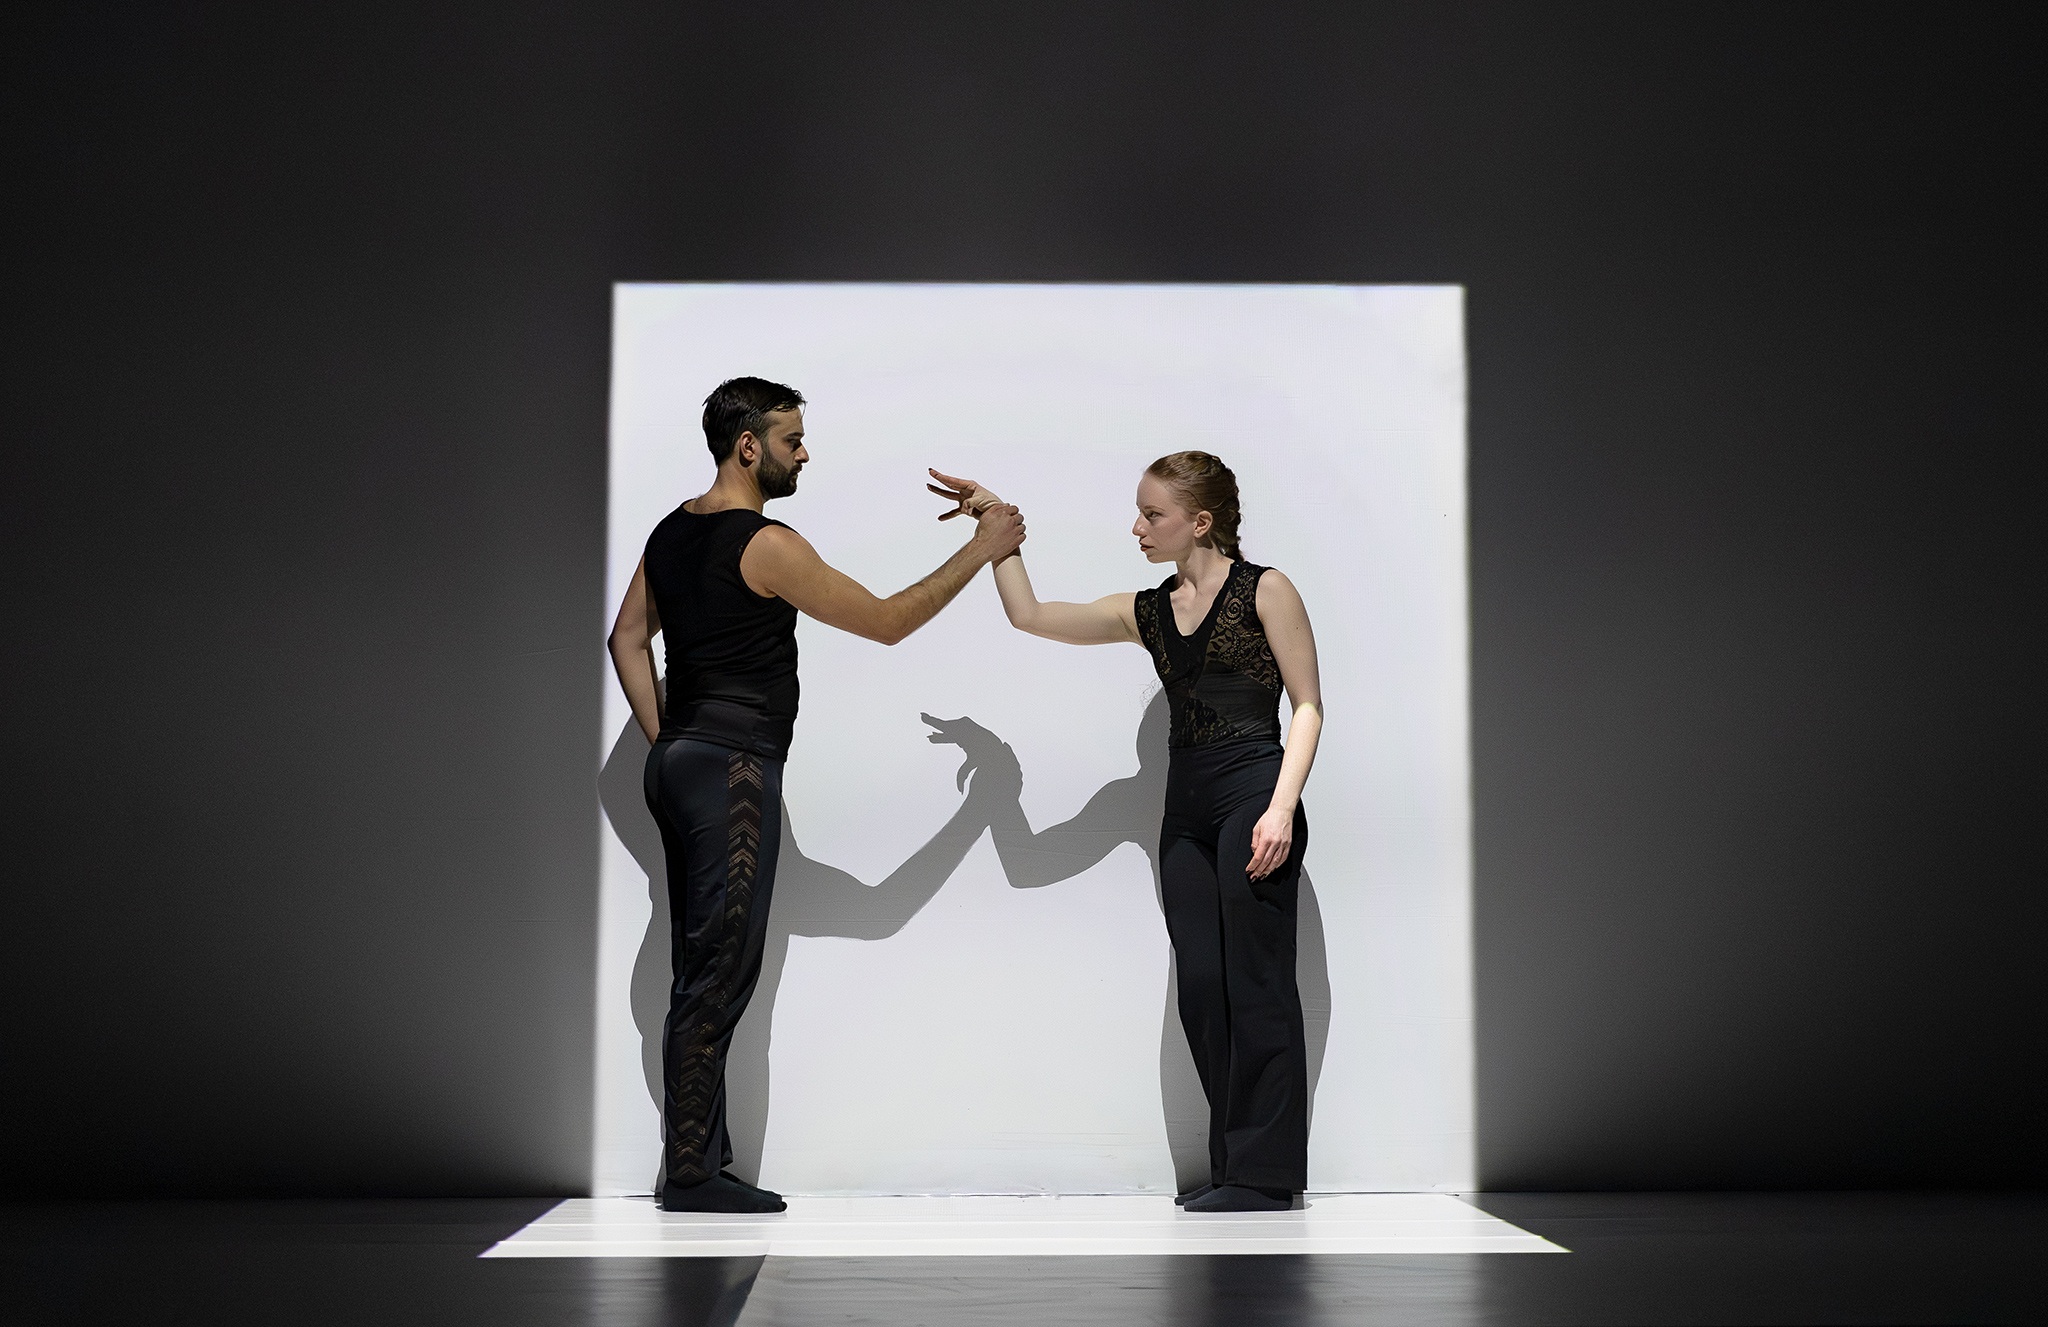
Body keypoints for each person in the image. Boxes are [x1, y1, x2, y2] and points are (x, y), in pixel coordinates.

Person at [608, 378, 1025, 1214]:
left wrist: (670, 741)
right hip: (733, 768)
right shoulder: (766, 544)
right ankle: (689, 1174)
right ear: (748, 446)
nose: (805, 453)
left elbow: (625, 638)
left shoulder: (670, 531)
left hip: (686, 766)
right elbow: (888, 620)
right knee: (718, 971)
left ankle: (698, 1162)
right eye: (792, 439)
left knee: (702, 962)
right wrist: (984, 549)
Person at [928, 453, 1322, 1213]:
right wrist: (995, 525)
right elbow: (1029, 615)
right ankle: (1233, 1167)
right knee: (1203, 988)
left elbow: (1307, 704)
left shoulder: (1266, 590)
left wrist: (1281, 807)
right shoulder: (1145, 611)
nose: (1137, 527)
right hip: (1186, 813)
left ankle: (1266, 1176)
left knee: (1258, 983)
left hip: (1255, 795)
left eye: (1152, 514)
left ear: (1199, 522)